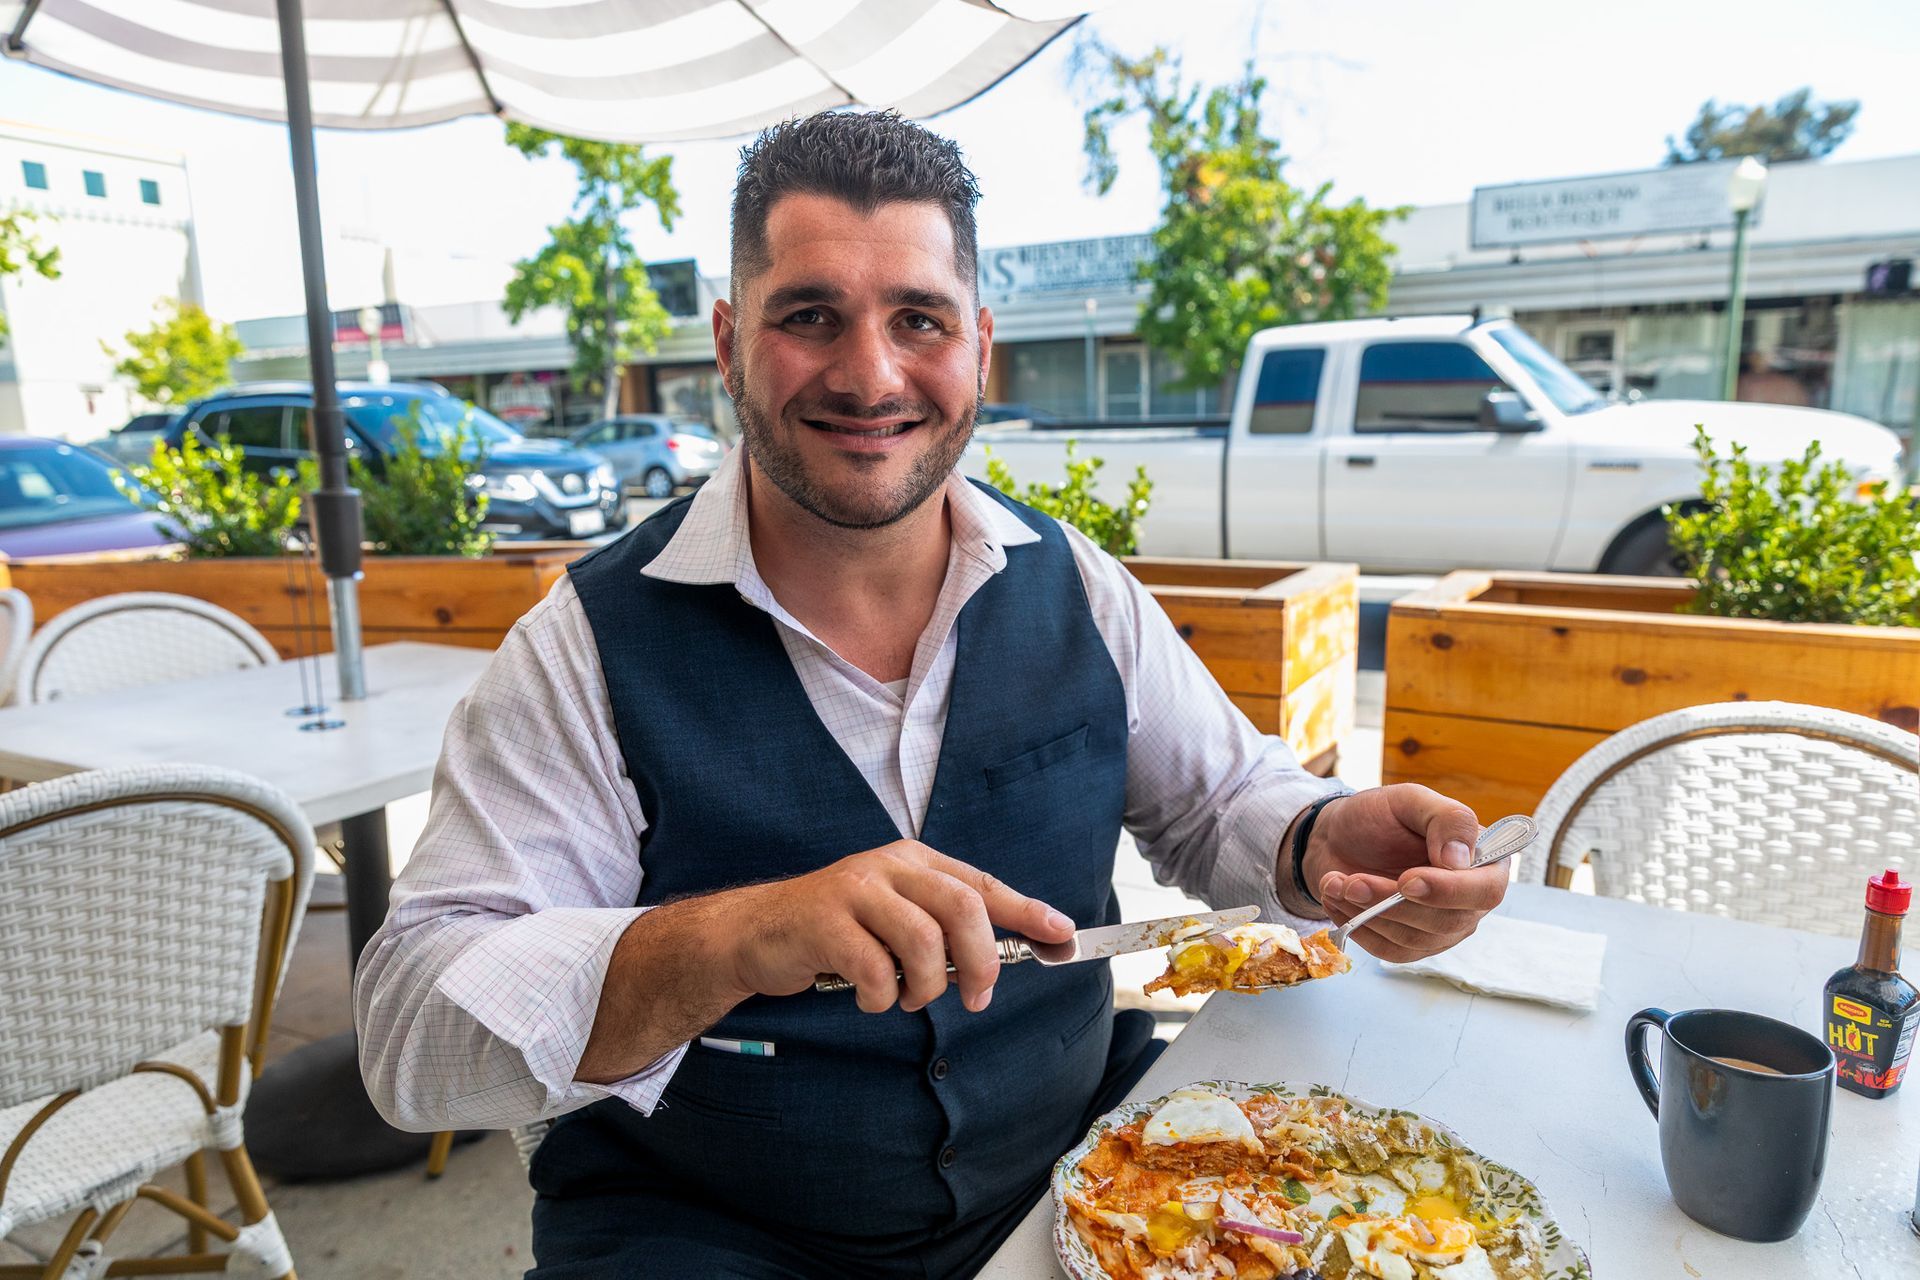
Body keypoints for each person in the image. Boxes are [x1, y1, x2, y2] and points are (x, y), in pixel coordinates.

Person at [354, 110, 1507, 1279]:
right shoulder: (584, 645)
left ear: (980, 345)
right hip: (705, 1226)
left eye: (919, 318)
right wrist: (731, 935)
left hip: (1085, 1183)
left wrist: (1319, 842)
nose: (870, 373)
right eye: (809, 316)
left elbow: (1217, 805)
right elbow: (410, 1040)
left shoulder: (1082, 588)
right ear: (725, 339)